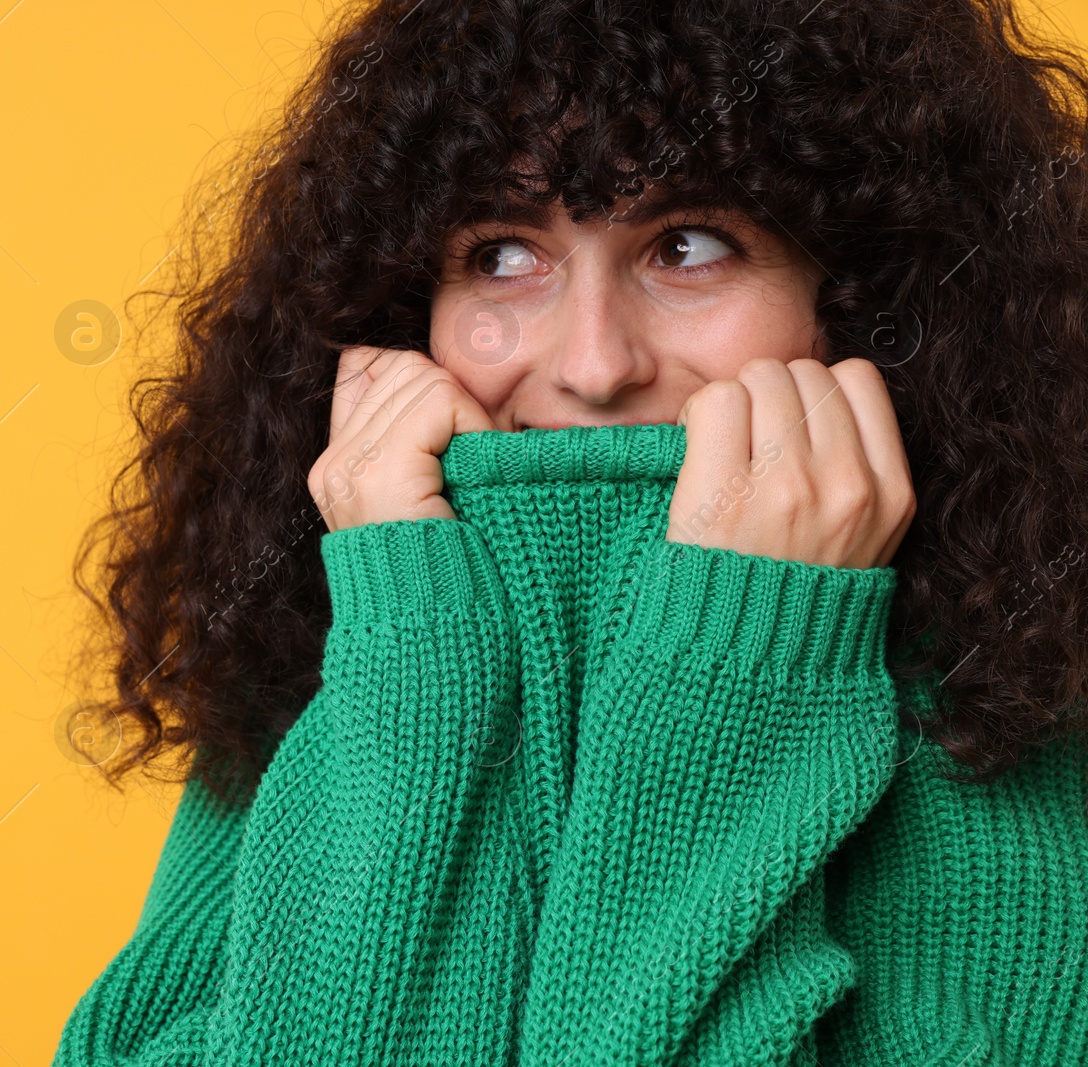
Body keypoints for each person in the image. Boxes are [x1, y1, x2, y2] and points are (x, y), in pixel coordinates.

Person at [54, 0, 1088, 1062]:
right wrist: (416, 663)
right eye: (502, 256)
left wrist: (744, 665)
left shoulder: (1000, 703)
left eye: (688, 247)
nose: (592, 366)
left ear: (869, 296)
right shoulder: (331, 678)